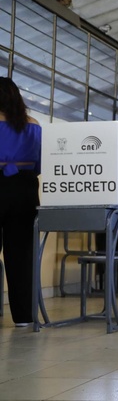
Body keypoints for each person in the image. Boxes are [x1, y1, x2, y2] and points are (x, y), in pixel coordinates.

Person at [0, 77, 41, 327]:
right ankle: (24, 318)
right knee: (21, 254)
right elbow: (39, 165)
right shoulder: (33, 125)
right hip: (25, 189)